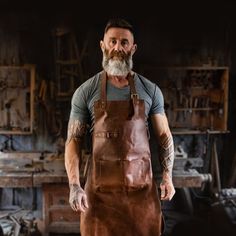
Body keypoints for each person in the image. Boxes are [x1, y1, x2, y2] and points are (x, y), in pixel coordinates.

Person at [65, 18, 175, 236]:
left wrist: (168, 177)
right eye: (112, 41)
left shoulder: (150, 91)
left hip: (141, 195)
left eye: (124, 43)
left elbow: (164, 136)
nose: (118, 48)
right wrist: (75, 185)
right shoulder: (85, 92)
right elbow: (73, 141)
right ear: (102, 45)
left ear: (133, 48)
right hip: (99, 197)